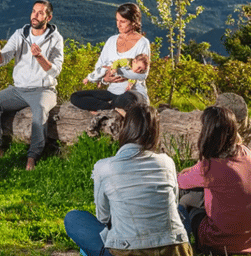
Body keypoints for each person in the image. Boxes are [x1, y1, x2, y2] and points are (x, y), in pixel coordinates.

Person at [65, 105, 192, 256]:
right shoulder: (167, 162)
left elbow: (103, 217)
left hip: (128, 249)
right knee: (181, 210)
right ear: (156, 132)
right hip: (176, 250)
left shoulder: (104, 167)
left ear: (125, 128)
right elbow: (174, 203)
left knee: (73, 218)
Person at [0, 0, 64, 171]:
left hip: (44, 90)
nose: (35, 15)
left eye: (40, 12)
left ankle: (32, 156)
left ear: (49, 17)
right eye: (34, 11)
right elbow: (1, 61)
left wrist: (40, 57)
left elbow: (55, 71)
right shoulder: (20, 34)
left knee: (40, 111)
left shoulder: (56, 39)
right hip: (19, 89)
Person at [177, 106, 251, 255]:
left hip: (220, 243)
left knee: (186, 204)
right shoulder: (246, 153)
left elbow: (180, 181)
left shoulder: (209, 167)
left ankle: (186, 247)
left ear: (207, 133)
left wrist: (188, 171)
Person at [71, 4, 150, 114]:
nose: (118, 25)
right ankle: (111, 109)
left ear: (133, 21)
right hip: (112, 92)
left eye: (123, 21)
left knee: (124, 99)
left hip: (133, 93)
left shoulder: (142, 43)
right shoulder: (111, 41)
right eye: (117, 20)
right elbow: (99, 67)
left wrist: (118, 71)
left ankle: (104, 109)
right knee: (76, 97)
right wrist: (105, 79)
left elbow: (142, 75)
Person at [84, 53, 149, 91]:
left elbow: (132, 79)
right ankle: (88, 78)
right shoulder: (126, 61)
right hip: (111, 67)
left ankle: (99, 81)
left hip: (116, 76)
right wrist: (114, 68)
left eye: (141, 70)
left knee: (110, 81)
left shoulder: (133, 74)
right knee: (101, 72)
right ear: (134, 61)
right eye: (139, 67)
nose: (138, 71)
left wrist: (129, 85)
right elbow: (117, 62)